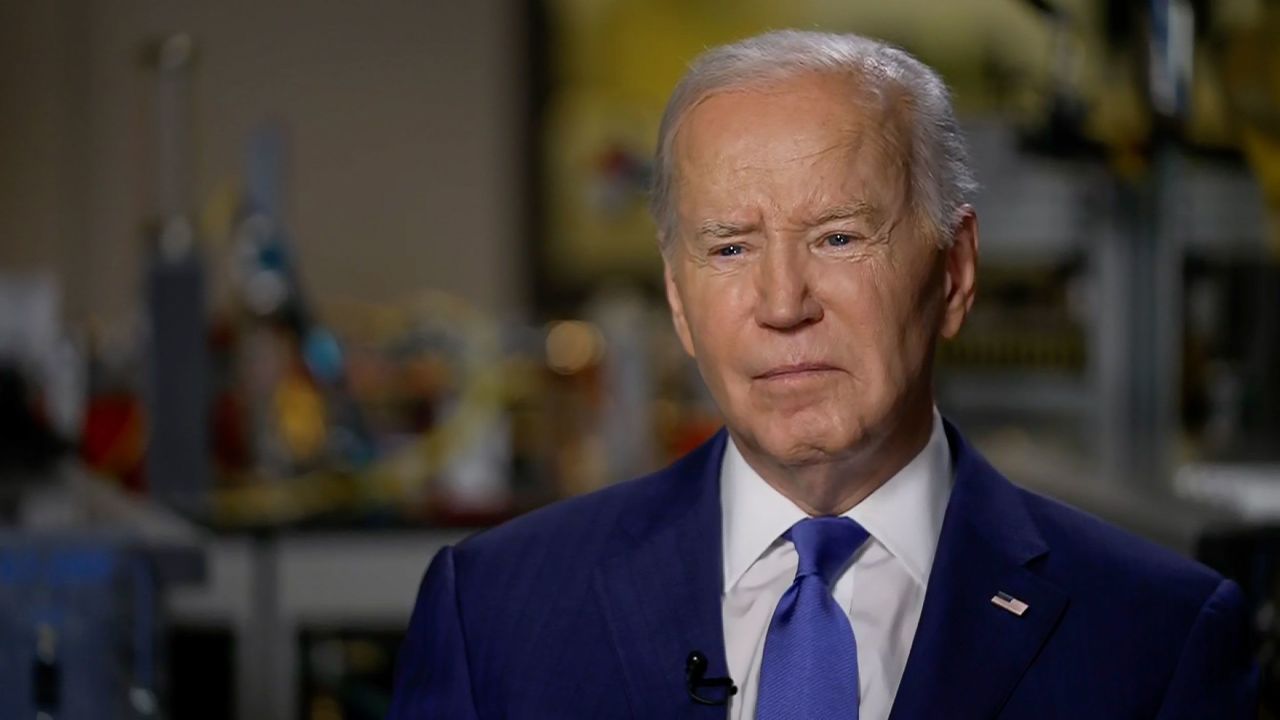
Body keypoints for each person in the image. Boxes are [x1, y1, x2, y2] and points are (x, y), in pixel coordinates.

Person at [388, 30, 1256, 719]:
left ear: (953, 272)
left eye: (839, 237)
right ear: (679, 303)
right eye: (729, 247)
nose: (782, 302)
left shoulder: (1158, 638)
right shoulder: (494, 613)